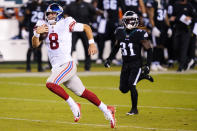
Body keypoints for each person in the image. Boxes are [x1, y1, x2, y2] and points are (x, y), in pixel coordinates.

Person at [32, 3, 116, 128]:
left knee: (51, 83)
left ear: (59, 14)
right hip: (57, 67)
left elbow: (87, 27)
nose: (50, 15)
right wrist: (36, 34)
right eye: (49, 13)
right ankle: (107, 109)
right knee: (82, 92)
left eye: (53, 13)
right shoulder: (41, 25)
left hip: (67, 64)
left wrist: (92, 43)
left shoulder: (66, 22)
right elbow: (35, 45)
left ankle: (73, 104)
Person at [104, 11, 153, 115]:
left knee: (131, 85)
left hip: (136, 63)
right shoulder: (120, 31)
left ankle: (134, 109)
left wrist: (148, 65)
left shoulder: (140, 33)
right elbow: (116, 47)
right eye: (127, 20)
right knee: (123, 89)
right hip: (125, 64)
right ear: (124, 21)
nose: (130, 22)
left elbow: (149, 49)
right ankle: (143, 77)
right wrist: (109, 59)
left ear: (136, 21)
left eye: (132, 20)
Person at [24, 0, 47, 72]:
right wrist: (25, 26)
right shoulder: (31, 5)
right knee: (31, 47)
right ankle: (28, 67)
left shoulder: (45, 5)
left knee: (39, 48)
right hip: (32, 29)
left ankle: (39, 67)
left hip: (41, 29)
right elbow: (26, 16)